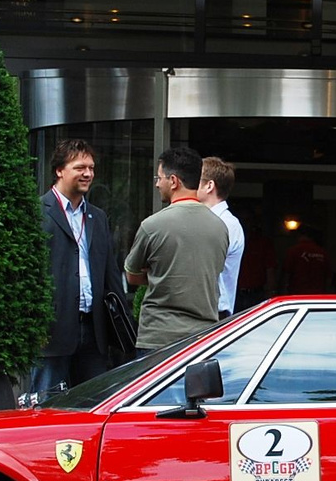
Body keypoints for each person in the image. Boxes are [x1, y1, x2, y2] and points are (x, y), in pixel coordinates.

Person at [33, 138, 127, 393]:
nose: (88, 174)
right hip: (53, 331)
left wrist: (121, 324)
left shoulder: (97, 217)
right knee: (46, 405)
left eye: (91, 168)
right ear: (59, 170)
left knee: (94, 405)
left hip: (94, 331)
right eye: (80, 167)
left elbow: (110, 273)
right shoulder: (37, 212)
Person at [124, 146, 228, 355]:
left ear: (173, 181)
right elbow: (209, 272)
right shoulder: (220, 227)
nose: (156, 183)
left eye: (159, 177)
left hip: (158, 335)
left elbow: (131, 276)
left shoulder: (152, 225)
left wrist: (158, 274)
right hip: (203, 336)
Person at [199, 156, 244, 319]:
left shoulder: (227, 224)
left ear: (209, 185)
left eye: (195, 180)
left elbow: (201, 266)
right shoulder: (208, 220)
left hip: (214, 314)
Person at [282, 227, 332, 293]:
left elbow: (286, 273)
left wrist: (283, 290)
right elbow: (328, 276)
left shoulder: (294, 251)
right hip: (318, 292)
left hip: (297, 292)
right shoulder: (322, 252)